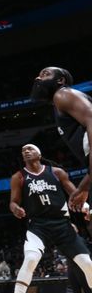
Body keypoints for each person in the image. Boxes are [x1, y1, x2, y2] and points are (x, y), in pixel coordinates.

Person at [8, 143, 92, 293]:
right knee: (30, 259)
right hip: (38, 225)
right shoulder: (19, 177)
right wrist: (15, 209)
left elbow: (75, 193)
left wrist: (85, 207)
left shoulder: (57, 172)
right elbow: (13, 202)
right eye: (23, 151)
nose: (26, 151)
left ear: (39, 153)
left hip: (62, 224)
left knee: (87, 263)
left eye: (30, 149)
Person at [29, 67, 92, 212]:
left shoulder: (63, 94)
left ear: (60, 80)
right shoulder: (60, 102)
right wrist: (85, 185)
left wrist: (84, 186)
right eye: (38, 75)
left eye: (45, 74)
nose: (38, 79)